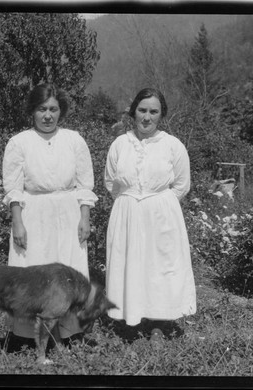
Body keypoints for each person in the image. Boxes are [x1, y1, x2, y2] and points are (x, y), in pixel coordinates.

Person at [2, 83, 98, 344]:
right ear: (32, 111)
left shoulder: (74, 140)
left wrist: (84, 217)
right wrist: (18, 222)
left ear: (61, 112)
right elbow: (13, 188)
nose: (47, 116)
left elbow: (85, 184)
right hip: (34, 214)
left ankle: (68, 332)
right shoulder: (19, 142)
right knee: (32, 274)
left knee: (68, 273)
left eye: (53, 109)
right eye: (41, 109)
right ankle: (27, 336)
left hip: (68, 215)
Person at [104, 87, 196, 339]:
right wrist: (132, 202)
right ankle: (132, 322)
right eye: (142, 110)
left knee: (160, 268)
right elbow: (111, 182)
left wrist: (158, 204)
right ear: (133, 112)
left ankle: (158, 325)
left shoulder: (172, 145)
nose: (147, 117)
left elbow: (181, 184)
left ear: (161, 115)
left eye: (153, 111)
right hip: (127, 214)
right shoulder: (120, 144)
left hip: (161, 216)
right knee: (131, 265)